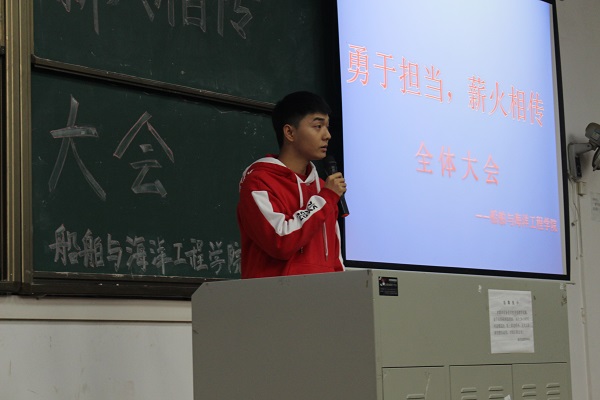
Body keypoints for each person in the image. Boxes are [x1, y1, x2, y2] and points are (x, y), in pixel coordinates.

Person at [237, 91, 346, 278]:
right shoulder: (259, 182)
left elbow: (336, 260)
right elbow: (280, 241)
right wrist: (325, 198)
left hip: (322, 293)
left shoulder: (323, 188)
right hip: (276, 293)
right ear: (289, 132)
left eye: (327, 127)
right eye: (318, 126)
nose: (327, 135)